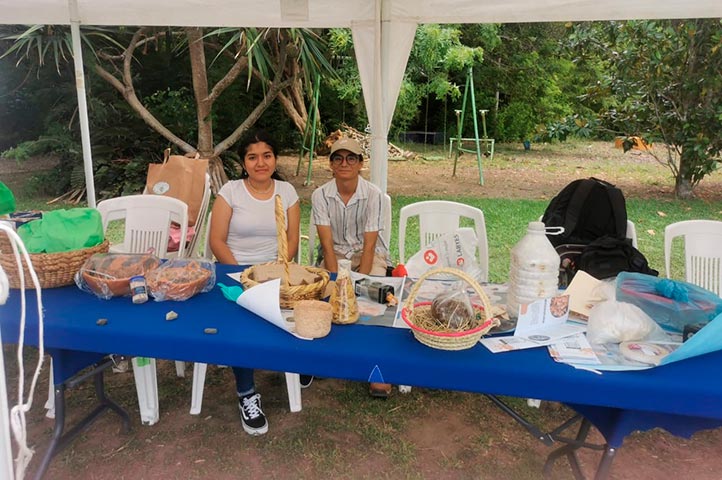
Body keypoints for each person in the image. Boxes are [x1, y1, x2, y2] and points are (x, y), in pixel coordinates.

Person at [209, 130, 300, 436]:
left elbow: (291, 242)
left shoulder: (287, 192)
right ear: (244, 163)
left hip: (276, 273)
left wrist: (271, 275)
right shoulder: (230, 192)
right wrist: (244, 277)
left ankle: (297, 366)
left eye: (267, 155)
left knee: (295, 312)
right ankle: (246, 393)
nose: (260, 162)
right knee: (242, 327)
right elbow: (217, 241)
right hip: (234, 273)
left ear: (274, 159)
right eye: (252, 157)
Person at [311, 136, 392, 397]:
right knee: (326, 297)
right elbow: (326, 245)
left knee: (373, 301)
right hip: (334, 253)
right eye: (338, 158)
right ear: (331, 165)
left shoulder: (374, 194)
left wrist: (358, 286)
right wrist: (338, 283)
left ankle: (378, 366)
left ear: (360, 164)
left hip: (368, 255)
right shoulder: (320, 195)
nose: (344, 163)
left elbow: (369, 247)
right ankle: (328, 357)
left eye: (351, 158)